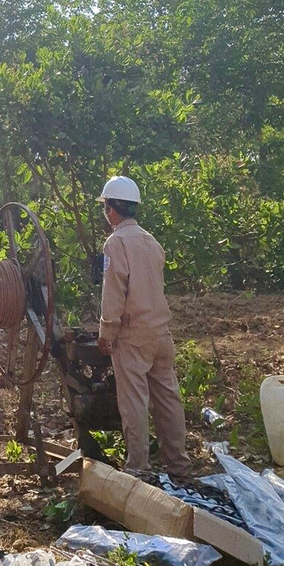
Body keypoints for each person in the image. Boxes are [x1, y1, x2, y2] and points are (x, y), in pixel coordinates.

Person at [96, 176, 192, 479]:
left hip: (133, 336)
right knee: (168, 400)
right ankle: (178, 466)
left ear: (111, 209)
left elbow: (114, 293)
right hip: (161, 335)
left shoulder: (116, 243)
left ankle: (138, 469)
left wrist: (106, 332)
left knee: (134, 403)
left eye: (105, 207)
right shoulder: (152, 242)